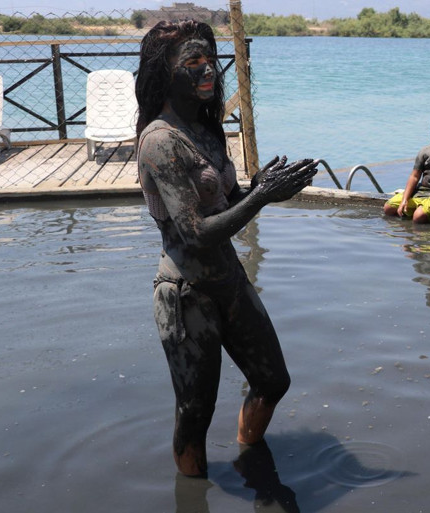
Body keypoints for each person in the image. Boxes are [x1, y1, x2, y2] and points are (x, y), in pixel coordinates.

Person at [135, 19, 319, 478]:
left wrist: (259, 187)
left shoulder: (206, 128)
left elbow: (229, 205)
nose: (208, 70)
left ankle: (252, 462)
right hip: (187, 293)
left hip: (229, 280)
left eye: (211, 59)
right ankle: (193, 495)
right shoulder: (160, 141)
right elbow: (196, 232)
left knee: (273, 380)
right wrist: (262, 197)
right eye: (193, 61)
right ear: (164, 72)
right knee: (195, 410)